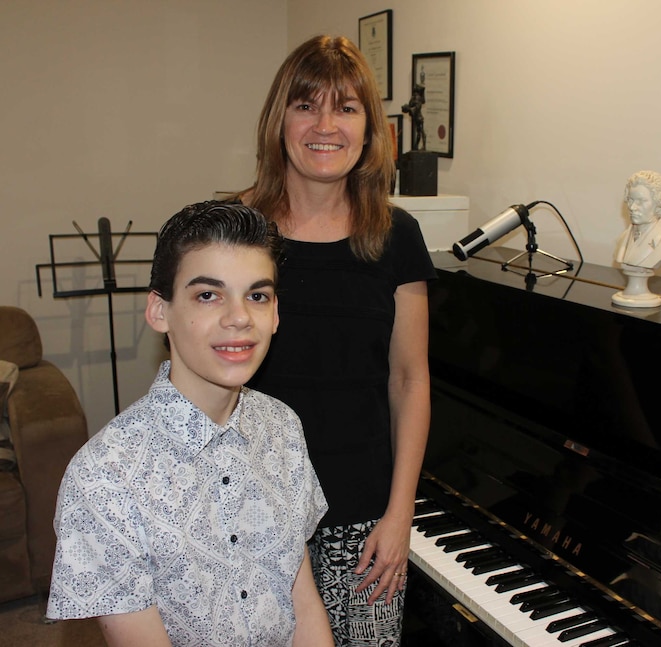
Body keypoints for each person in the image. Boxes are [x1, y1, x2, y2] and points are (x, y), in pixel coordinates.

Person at [47, 201, 333, 647]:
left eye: (257, 295)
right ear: (160, 311)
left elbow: (302, 600)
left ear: (276, 314)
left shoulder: (282, 427)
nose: (239, 318)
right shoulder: (103, 478)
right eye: (208, 294)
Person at [239, 34, 436, 646]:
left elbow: (410, 379)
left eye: (346, 108)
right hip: (252, 512)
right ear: (280, 119)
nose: (325, 125)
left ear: (369, 129)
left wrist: (399, 514)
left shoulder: (398, 235)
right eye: (306, 105)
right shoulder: (233, 230)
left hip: (364, 516)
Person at [614, 170, 661, 270]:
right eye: (630, 200)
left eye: (641, 201)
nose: (632, 207)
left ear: (658, 202)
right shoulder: (623, 237)